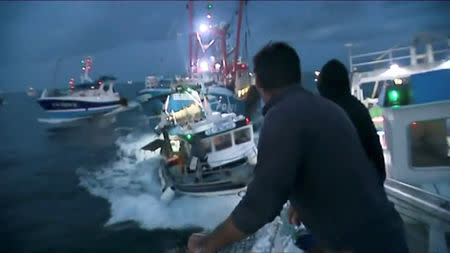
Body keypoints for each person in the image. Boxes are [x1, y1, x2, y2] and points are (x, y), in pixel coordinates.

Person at [187, 42, 408, 253]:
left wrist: (208, 243)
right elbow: (341, 174)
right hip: (386, 233)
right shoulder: (329, 109)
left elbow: (261, 203)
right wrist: (304, 204)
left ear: (259, 83)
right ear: (297, 76)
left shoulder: (282, 116)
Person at [317, 59, 386, 184]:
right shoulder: (358, 108)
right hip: (368, 188)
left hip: (340, 192)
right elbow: (374, 149)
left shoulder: (324, 113)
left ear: (322, 86)